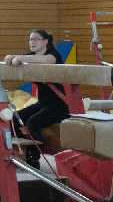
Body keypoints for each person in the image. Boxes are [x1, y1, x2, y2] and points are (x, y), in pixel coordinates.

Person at [5, 29, 69, 169]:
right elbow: (15, 60)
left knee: (33, 123)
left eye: (35, 39)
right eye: (30, 39)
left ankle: (34, 158)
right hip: (43, 103)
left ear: (45, 41)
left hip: (60, 105)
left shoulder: (53, 55)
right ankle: (22, 153)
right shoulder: (31, 56)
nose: (32, 42)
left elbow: (45, 60)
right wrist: (10, 57)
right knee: (13, 119)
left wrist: (19, 57)